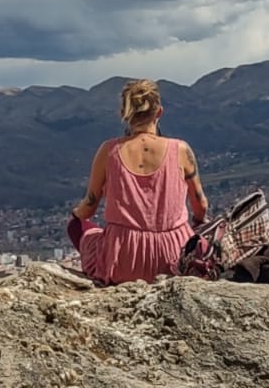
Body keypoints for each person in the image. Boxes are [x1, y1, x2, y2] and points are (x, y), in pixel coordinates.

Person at [67, 79, 209, 285]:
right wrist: (195, 222)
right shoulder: (180, 150)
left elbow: (88, 208)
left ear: (124, 114)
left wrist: (75, 215)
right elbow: (201, 206)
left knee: (77, 226)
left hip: (123, 259)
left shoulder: (109, 151)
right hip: (173, 257)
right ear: (159, 112)